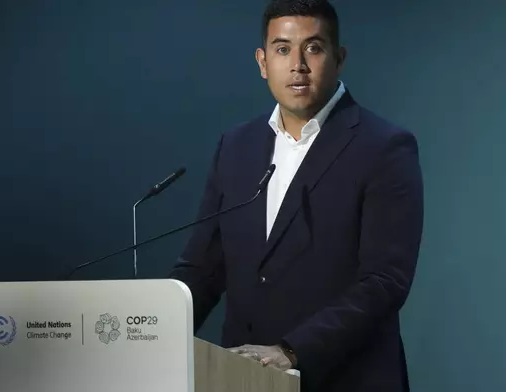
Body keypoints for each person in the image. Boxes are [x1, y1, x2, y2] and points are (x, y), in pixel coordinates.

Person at [167, 0, 424, 391]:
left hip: (345, 379)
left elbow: (384, 281)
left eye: (314, 48)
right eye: (283, 49)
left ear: (339, 58)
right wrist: (149, 331)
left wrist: (291, 350)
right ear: (262, 61)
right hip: (243, 379)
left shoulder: (385, 147)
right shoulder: (236, 146)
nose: (298, 65)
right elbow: (204, 269)